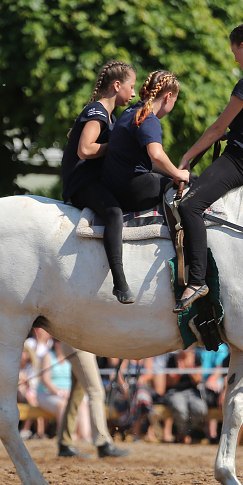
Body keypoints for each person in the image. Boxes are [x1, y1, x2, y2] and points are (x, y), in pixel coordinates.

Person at [174, 23, 243, 313]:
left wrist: (185, 158)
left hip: (238, 160)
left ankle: (197, 279)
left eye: (235, 52)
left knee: (189, 206)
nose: (235, 59)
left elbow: (217, 128)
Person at [61, 61, 138, 304]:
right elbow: (85, 149)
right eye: (131, 86)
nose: (134, 93)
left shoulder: (110, 116)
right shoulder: (97, 111)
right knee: (114, 213)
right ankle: (119, 282)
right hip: (82, 182)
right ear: (117, 85)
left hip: (96, 179)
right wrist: (116, 148)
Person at [102, 70, 190, 211]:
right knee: (189, 194)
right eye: (174, 101)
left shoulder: (129, 112)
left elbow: (146, 163)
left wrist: (173, 172)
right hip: (133, 191)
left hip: (113, 189)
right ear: (168, 97)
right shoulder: (148, 118)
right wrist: (178, 174)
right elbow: (156, 154)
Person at [55, 341, 130, 458]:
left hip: (73, 344)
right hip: (80, 345)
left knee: (76, 396)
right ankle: (102, 443)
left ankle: (65, 443)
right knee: (96, 393)